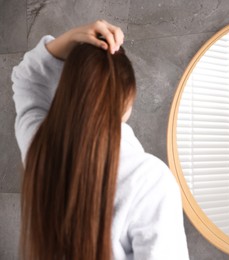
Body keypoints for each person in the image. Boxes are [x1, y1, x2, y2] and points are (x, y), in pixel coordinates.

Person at [12, 20, 189, 260]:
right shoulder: (149, 179)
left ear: (69, 91)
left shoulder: (40, 148)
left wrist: (73, 36)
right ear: (128, 98)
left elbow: (27, 80)